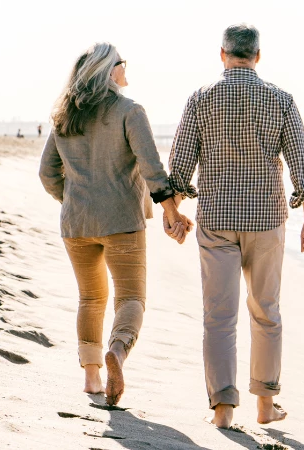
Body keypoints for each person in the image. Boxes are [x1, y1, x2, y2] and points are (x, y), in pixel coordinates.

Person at [168, 23, 304, 429]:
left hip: (217, 220)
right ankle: (266, 405)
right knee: (266, 311)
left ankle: (222, 411)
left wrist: (172, 211)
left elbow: (180, 167)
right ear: (257, 56)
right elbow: (301, 167)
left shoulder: (201, 99)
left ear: (222, 55)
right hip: (267, 221)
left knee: (218, 316)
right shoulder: (282, 101)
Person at [39, 42, 190, 406]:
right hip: (122, 220)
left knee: (91, 297)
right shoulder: (129, 111)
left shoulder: (64, 114)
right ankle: (118, 351)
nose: (126, 68)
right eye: (122, 63)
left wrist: (73, 199)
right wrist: (171, 211)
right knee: (131, 297)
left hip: (76, 223)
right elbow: (153, 169)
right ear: (110, 72)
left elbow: (47, 173)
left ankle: (91, 378)